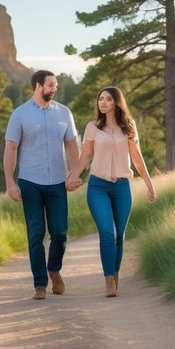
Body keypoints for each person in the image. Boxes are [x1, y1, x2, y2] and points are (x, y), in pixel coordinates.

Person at [65, 86, 156, 297]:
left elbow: (137, 159)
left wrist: (149, 184)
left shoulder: (129, 127)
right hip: (98, 186)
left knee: (120, 235)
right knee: (108, 232)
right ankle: (108, 280)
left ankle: (115, 275)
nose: (102, 102)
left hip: (123, 187)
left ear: (116, 102)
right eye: (100, 99)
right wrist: (72, 176)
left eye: (107, 99)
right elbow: (85, 156)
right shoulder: (93, 128)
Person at [4, 70, 80, 300]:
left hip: (58, 181)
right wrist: (10, 181)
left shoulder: (64, 113)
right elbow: (11, 148)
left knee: (60, 233)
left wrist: (74, 174)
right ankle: (40, 283)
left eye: (55, 85)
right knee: (36, 233)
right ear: (38, 86)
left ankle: (54, 269)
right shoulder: (20, 114)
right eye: (50, 85)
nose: (54, 88)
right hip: (30, 182)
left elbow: (72, 145)